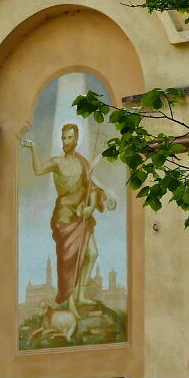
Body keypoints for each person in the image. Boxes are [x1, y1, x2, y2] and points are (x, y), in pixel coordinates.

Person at [21, 123, 116, 319]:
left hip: (82, 215)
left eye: (69, 138)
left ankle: (81, 296)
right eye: (63, 138)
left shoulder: (82, 163)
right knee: (69, 262)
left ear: (76, 140)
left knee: (92, 253)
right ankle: (71, 303)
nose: (65, 141)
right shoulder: (58, 162)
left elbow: (91, 186)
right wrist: (34, 148)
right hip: (64, 217)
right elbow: (38, 170)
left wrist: (91, 206)